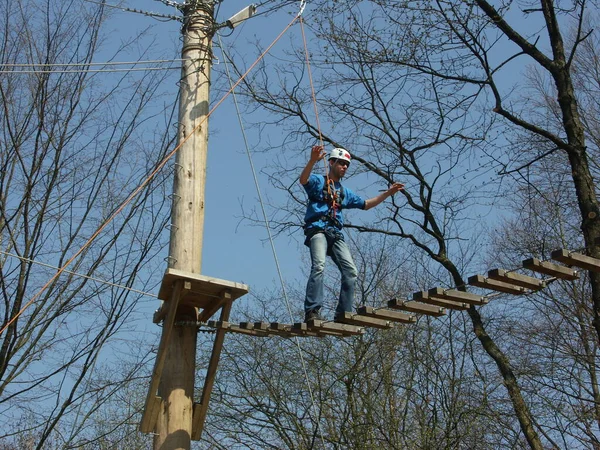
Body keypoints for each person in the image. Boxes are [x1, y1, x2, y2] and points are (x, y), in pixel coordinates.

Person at [300, 145, 404, 323]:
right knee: (319, 266)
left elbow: (366, 204)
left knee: (351, 271)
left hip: (335, 233)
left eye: (347, 165)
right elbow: (303, 180)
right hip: (317, 229)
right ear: (331, 162)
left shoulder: (343, 192)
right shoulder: (319, 181)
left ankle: (343, 313)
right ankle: (312, 311)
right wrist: (312, 160)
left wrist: (388, 193)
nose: (344, 167)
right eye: (341, 163)